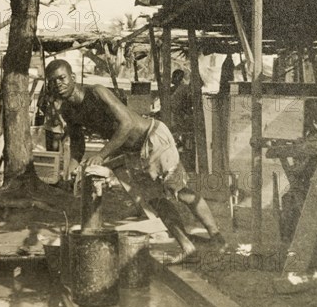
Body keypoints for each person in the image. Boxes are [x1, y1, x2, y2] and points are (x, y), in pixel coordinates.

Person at [45, 59, 227, 264]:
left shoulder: (96, 92)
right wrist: (71, 167)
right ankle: (187, 246)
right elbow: (77, 143)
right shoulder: (68, 111)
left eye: (62, 78)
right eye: (52, 82)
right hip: (133, 153)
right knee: (156, 201)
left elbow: (128, 124)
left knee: (180, 191)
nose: (58, 84)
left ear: (73, 77)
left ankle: (217, 238)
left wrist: (101, 155)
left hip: (152, 137)